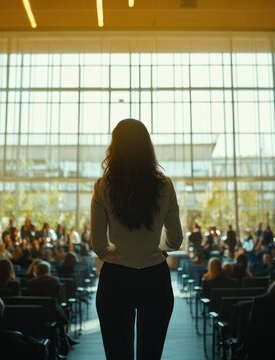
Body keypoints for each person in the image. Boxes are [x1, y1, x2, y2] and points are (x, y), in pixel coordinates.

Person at [91, 118, 183, 360]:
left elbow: (98, 245)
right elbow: (175, 240)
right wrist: (158, 250)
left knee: (117, 354)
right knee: (150, 354)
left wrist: (117, 254)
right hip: (155, 278)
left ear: (115, 148)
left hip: (116, 279)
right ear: (147, 147)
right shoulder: (165, 185)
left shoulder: (103, 187)